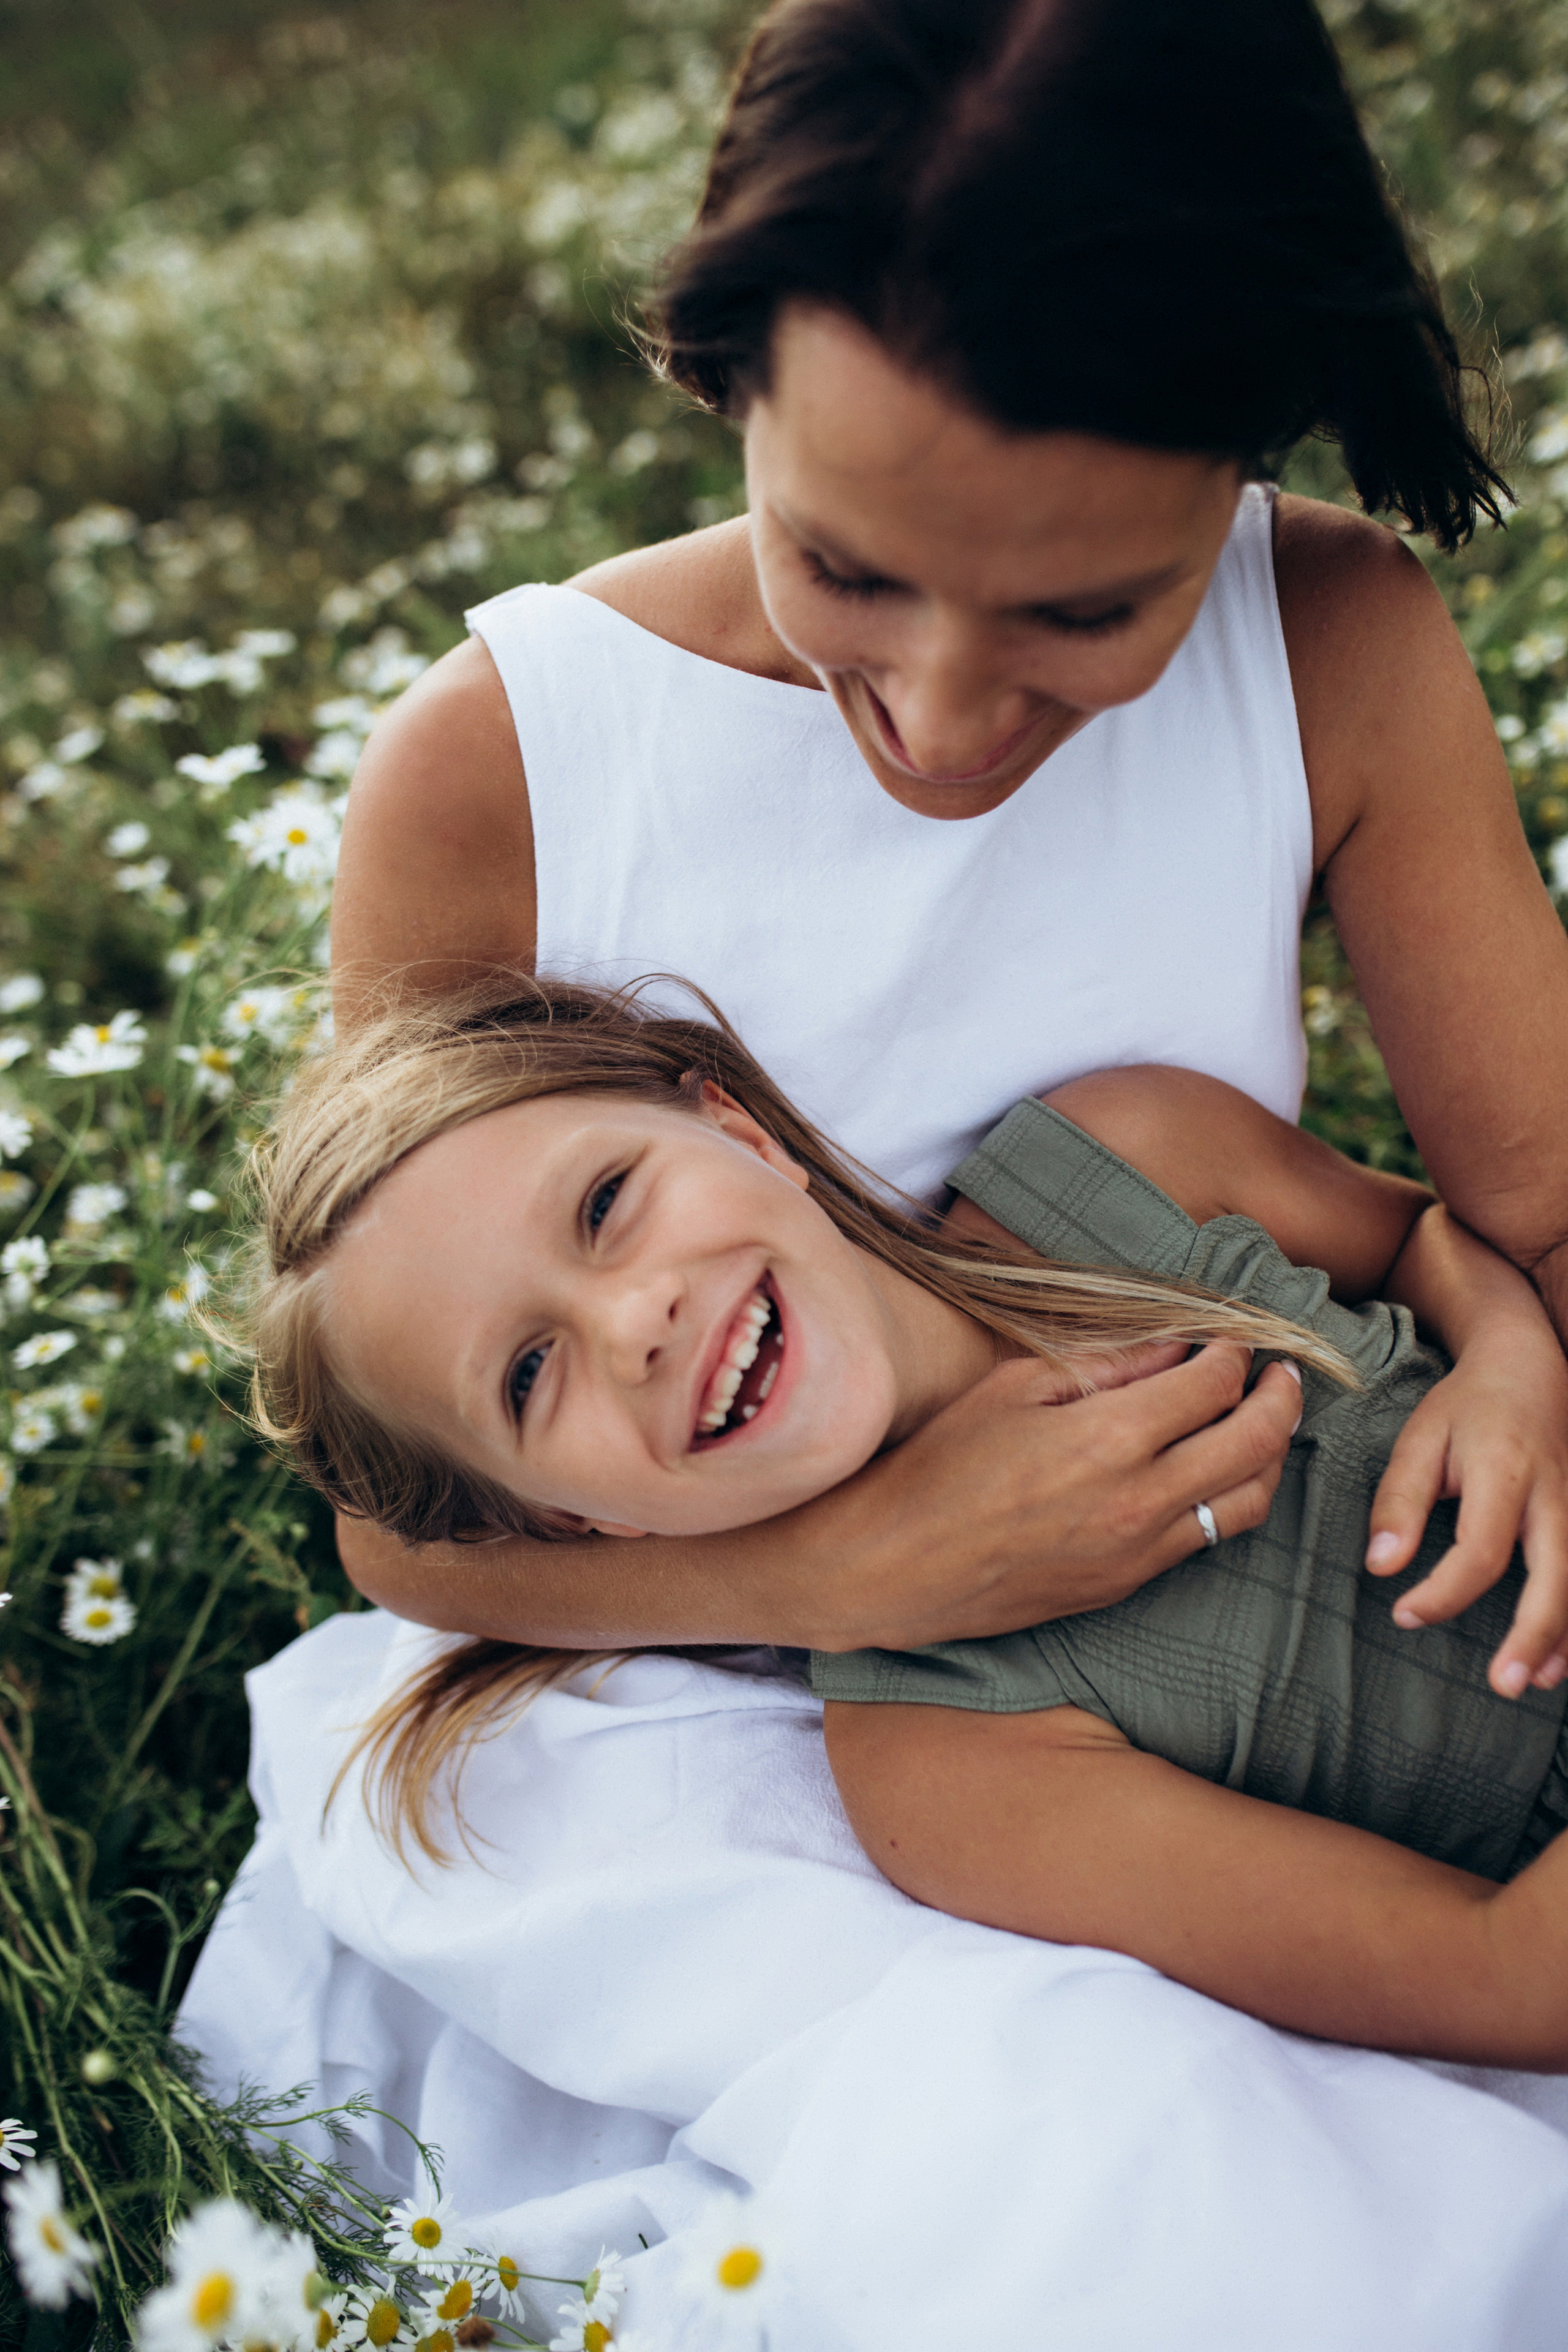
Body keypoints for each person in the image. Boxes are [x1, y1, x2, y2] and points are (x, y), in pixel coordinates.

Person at [330, 0, 1568, 1689]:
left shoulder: (1326, 641)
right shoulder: (506, 766)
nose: (945, 715)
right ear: (731, 370)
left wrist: (1520, 1366)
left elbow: (1544, 1218)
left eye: (1085, 610)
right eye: (847, 570)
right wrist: (854, 1573)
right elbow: (402, 1519)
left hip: (1221, 1649)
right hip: (725, 1690)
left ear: (1251, 451)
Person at [239, 976, 1568, 2064]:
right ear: (572, 1522)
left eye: (604, 1204)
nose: (630, 1322)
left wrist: (1510, 1359)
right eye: (528, 1375)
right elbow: (1500, 1979)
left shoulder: (1123, 1160)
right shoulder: (940, 1763)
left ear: (742, 1135)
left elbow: (1411, 1237)